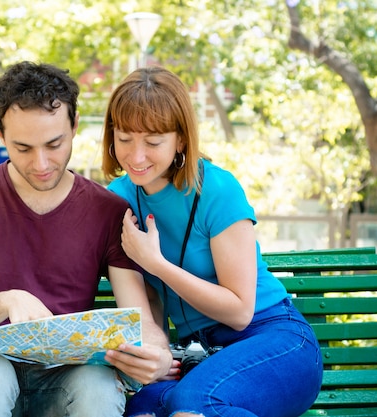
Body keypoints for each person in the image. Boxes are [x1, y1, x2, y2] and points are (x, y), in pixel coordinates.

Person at [0, 61, 172, 417]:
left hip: (65, 379)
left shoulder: (107, 210)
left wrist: (156, 353)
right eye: (23, 148)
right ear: (0, 133)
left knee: (98, 384)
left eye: (54, 144)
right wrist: (5, 302)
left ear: (74, 127)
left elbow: (138, 318)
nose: (41, 163)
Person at [101, 66, 323, 417]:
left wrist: (157, 263)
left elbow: (239, 312)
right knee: (144, 409)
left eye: (153, 142)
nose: (136, 155)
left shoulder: (217, 190)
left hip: (272, 338)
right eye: (125, 138)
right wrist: (153, 354)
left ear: (181, 140)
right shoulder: (116, 201)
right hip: (199, 355)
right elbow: (148, 308)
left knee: (195, 404)